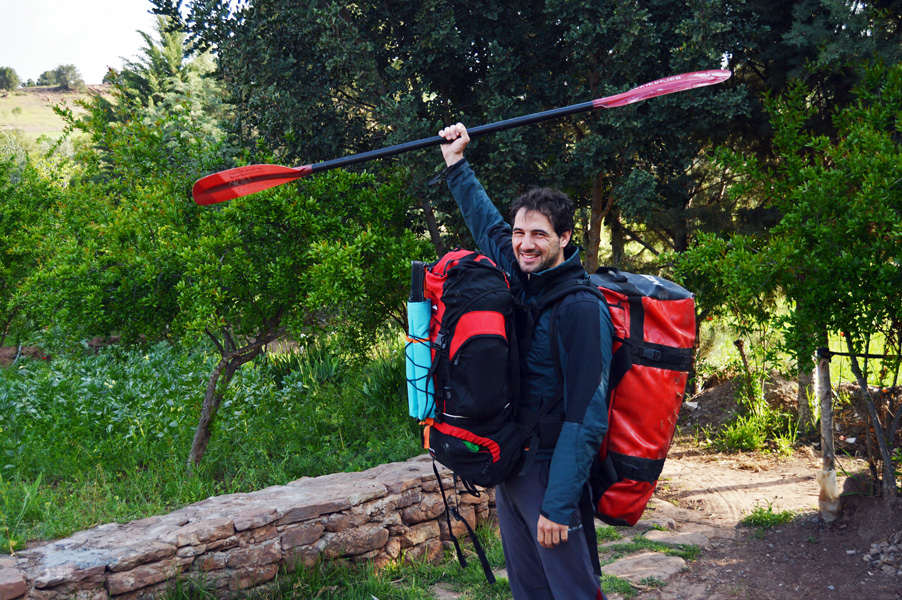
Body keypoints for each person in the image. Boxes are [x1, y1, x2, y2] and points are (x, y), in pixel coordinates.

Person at [436, 123, 613, 600]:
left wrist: (557, 504)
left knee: (572, 590)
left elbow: (587, 415)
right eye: (520, 233)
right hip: (513, 465)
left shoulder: (580, 307)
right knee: (529, 591)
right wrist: (457, 162)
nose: (525, 243)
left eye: (539, 233)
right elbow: (486, 223)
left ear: (565, 237)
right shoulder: (520, 277)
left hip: (551, 472)